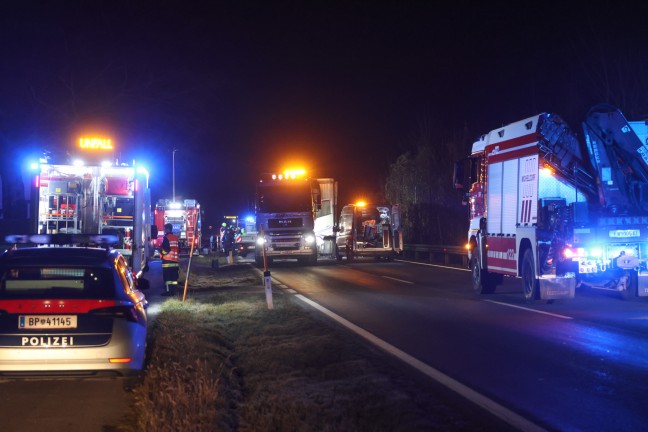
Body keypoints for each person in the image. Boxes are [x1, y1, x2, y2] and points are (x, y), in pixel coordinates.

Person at [160, 223, 180, 296]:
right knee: (174, 279)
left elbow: (166, 249)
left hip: (167, 262)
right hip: (175, 262)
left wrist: (162, 253)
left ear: (168, 229)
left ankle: (168, 292)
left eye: (165, 229)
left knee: (167, 279)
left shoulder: (166, 238)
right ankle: (174, 292)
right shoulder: (176, 238)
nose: (164, 230)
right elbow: (179, 250)